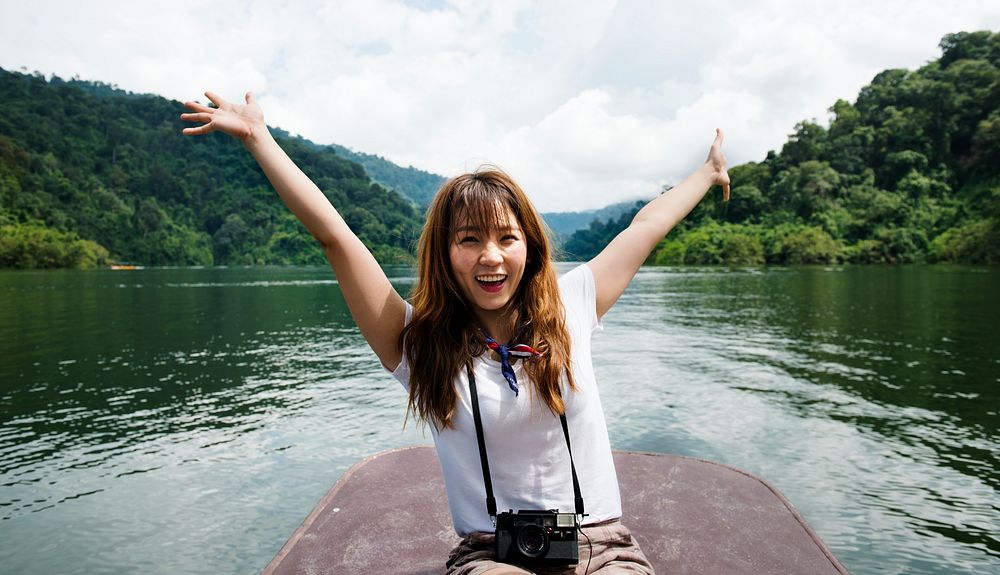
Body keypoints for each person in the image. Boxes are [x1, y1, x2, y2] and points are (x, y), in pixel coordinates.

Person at [181, 91, 730, 575]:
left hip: (603, 546)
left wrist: (707, 173)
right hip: (492, 555)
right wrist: (260, 139)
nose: (490, 256)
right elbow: (336, 238)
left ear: (530, 247)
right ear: (445, 254)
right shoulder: (419, 343)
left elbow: (647, 226)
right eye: (468, 239)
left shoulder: (571, 304)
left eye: (506, 238)